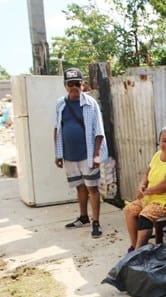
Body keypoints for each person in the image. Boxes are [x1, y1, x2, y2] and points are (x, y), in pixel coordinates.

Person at [53, 67, 109, 238]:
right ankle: (83, 217)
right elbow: (57, 128)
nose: (74, 87)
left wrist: (97, 155)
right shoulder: (60, 104)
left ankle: (96, 222)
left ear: (83, 84)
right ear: (65, 86)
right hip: (70, 155)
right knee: (79, 187)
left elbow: (99, 131)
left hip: (88, 154)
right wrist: (58, 153)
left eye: (77, 83)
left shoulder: (90, 103)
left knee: (92, 188)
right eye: (70, 84)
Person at [124, 126, 166, 251]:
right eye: (163, 140)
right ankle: (135, 248)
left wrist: (146, 191)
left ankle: (139, 252)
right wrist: (141, 185)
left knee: (145, 214)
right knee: (129, 210)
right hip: (153, 198)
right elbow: (146, 173)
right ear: (159, 142)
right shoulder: (158, 155)